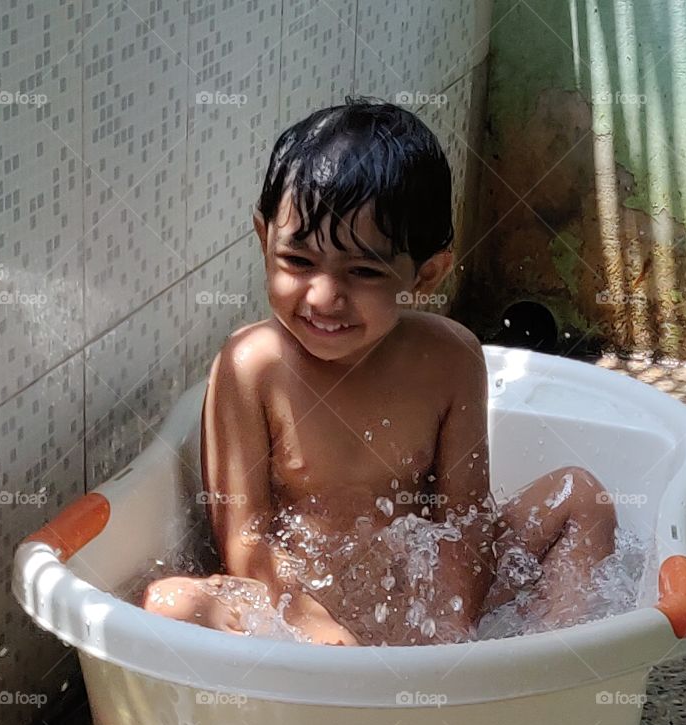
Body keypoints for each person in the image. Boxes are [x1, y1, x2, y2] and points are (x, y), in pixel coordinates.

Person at [143, 97, 615, 646]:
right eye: (298, 262)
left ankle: (550, 662)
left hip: (418, 600)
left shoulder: (450, 359)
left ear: (428, 273)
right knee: (170, 603)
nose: (323, 297)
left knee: (583, 498)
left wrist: (448, 628)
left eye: (364, 271)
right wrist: (309, 622)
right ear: (262, 237)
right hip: (298, 615)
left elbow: (465, 522)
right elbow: (244, 540)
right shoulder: (252, 367)